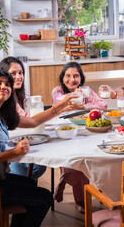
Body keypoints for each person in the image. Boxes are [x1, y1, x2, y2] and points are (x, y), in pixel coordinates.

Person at [0, 70, 77, 227]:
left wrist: (61, 106)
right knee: (44, 198)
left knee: (30, 184)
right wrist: (12, 153)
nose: (4, 87)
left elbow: (33, 122)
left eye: (7, 84)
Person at [51, 61, 107, 213]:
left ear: (81, 78)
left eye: (76, 76)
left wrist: (84, 106)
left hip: (86, 132)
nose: (72, 79)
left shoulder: (86, 90)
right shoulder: (57, 92)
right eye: (68, 76)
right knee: (76, 159)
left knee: (87, 158)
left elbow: (103, 104)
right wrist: (77, 101)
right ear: (62, 78)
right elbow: (60, 104)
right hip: (65, 132)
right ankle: (79, 198)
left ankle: (65, 183)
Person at [0, 56, 46, 180]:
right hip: (4, 148)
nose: (19, 77)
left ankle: (26, 189)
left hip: (15, 139)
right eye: (13, 73)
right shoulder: (5, 98)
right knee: (34, 168)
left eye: (21, 73)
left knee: (39, 165)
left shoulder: (15, 94)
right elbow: (27, 119)